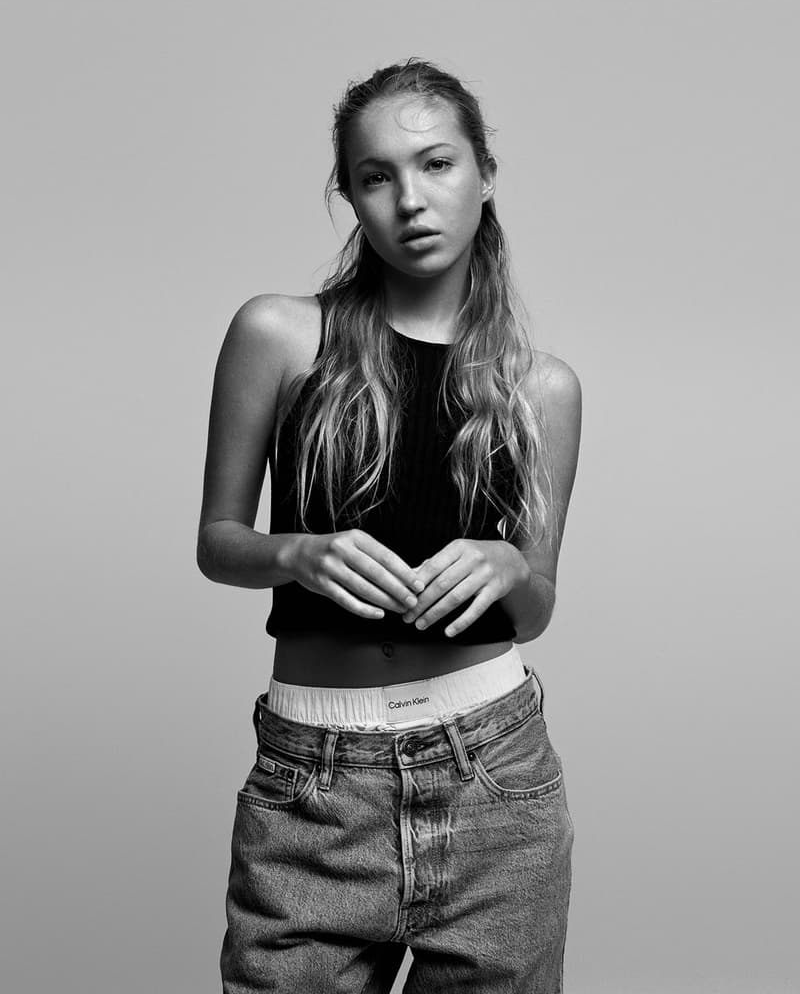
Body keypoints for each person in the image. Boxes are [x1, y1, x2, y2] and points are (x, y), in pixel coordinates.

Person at [197, 57, 582, 993]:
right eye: (377, 177)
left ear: (485, 174)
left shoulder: (542, 388)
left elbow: (536, 607)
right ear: (351, 197)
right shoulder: (279, 334)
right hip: (315, 786)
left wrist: (510, 568)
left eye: (437, 164)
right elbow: (218, 541)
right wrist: (297, 551)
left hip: (496, 775)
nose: (411, 199)